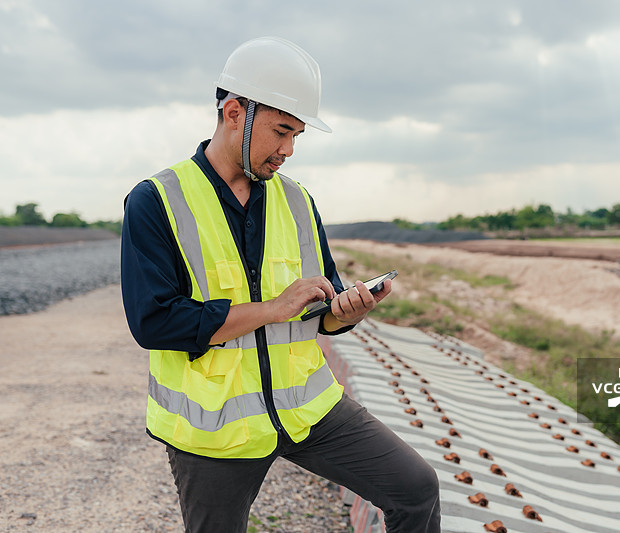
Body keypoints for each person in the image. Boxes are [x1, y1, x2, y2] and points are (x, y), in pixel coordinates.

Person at [120, 36, 440, 533]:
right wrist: (272, 307)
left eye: (298, 136)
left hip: (307, 411)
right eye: (280, 131)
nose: (288, 150)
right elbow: (155, 321)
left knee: (416, 489)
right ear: (233, 113)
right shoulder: (156, 200)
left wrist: (344, 312)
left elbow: (319, 309)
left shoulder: (297, 201)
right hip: (214, 431)